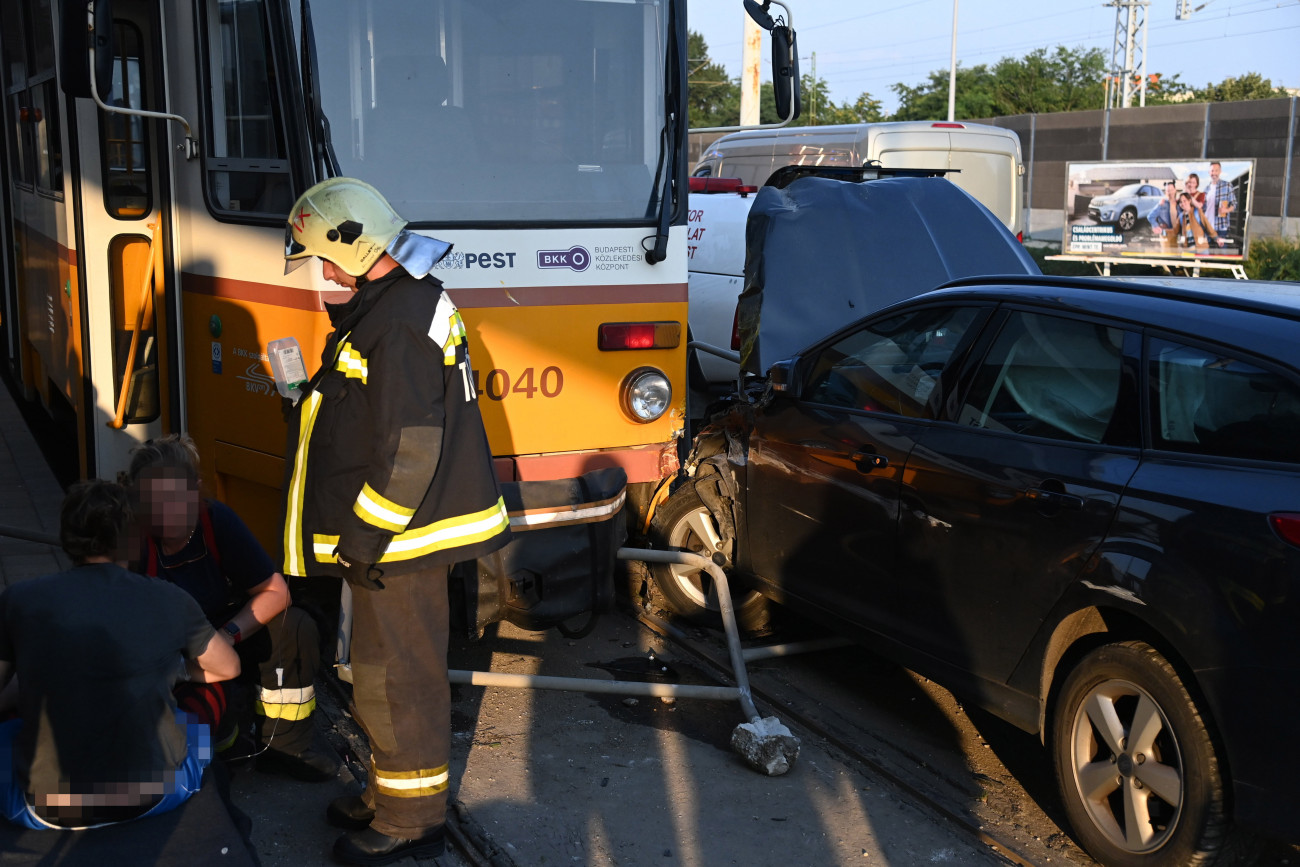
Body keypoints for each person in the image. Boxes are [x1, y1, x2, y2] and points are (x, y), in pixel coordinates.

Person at [281, 177, 511, 865]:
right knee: (380, 676)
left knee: (398, 680)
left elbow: (411, 447)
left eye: (321, 259)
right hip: (394, 542)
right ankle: (393, 791)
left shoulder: (400, 319)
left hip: (398, 545)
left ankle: (412, 821)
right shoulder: (394, 304)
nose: (318, 275)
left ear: (351, 250)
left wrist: (363, 539)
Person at [0, 480, 240, 830]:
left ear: (68, 539)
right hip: (156, 796)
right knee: (194, 732)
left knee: (10, 736)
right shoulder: (170, 598)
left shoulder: (19, 599)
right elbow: (228, 667)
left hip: (46, 809)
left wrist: (40, 681)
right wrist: (172, 672)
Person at [127, 434, 337, 783]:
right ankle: (215, 743)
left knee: (294, 626)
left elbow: (276, 591)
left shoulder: (217, 521)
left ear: (196, 490)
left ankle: (284, 749)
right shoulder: (130, 541)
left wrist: (227, 636)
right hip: (167, 649)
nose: (166, 511)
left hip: (221, 632)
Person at [1203, 160, 1237, 246]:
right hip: (1208, 227)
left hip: (1221, 228)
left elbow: (1234, 204)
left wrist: (1226, 210)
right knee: (1206, 254)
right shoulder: (1206, 189)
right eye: (1212, 170)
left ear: (1220, 171)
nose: (1214, 173)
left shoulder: (1227, 185)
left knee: (1221, 254)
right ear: (1209, 172)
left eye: (1216, 170)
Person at [1149, 181, 1180, 250]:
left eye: (1171, 190)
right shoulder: (1162, 204)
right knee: (1167, 256)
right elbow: (1150, 216)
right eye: (1168, 191)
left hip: (1177, 235)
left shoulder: (1179, 204)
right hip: (1165, 235)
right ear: (1166, 192)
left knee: (1177, 257)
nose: (1170, 193)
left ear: (1175, 190)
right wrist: (1157, 227)